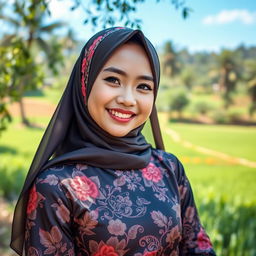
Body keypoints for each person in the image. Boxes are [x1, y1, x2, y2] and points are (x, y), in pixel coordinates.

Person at [10, 27, 216, 256]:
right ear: (84, 85)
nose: (128, 99)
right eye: (113, 80)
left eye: (144, 87)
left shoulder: (169, 167)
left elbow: (197, 247)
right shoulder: (57, 185)